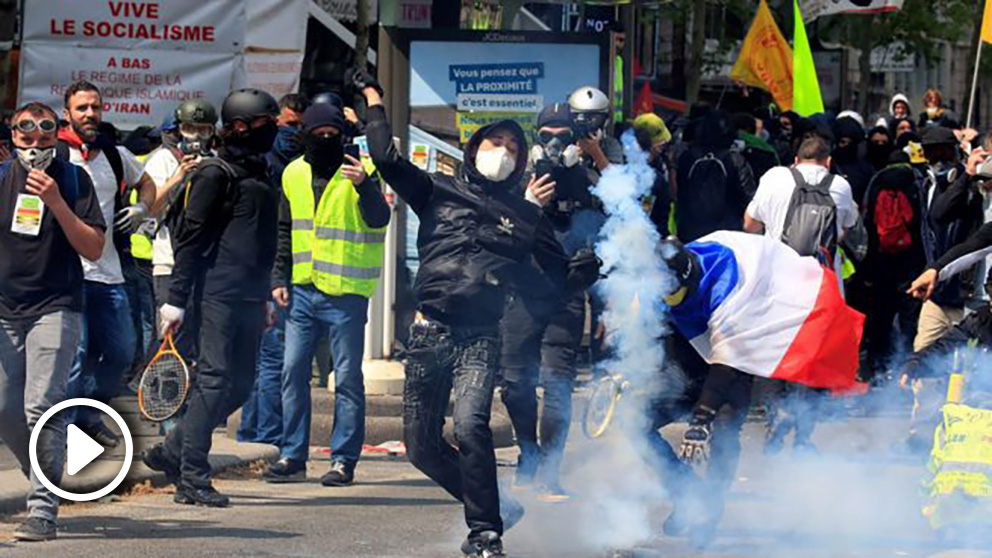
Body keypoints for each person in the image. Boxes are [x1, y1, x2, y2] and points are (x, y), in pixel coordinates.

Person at [359, 74, 601, 558]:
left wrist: (581, 272)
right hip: (428, 332)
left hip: (479, 335)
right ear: (474, 147)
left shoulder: (525, 210)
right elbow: (386, 160)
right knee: (422, 447)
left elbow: (549, 278)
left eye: (514, 145)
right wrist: (374, 103)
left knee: (470, 425)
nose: (505, 151)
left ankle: (485, 532)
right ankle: (498, 508)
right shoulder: (437, 190)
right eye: (496, 140)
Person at [652, 233, 862, 548]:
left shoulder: (729, 296)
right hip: (687, 359)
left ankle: (710, 509)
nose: (669, 301)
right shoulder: (661, 268)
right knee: (634, 423)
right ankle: (684, 493)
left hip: (737, 362)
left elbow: (725, 367)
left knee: (722, 431)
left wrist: (700, 419)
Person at [142, 88, 281, 508]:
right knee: (214, 379)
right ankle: (191, 479)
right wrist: (177, 300)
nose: (273, 130)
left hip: (250, 297)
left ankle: (171, 451)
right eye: (265, 122)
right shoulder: (213, 174)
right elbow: (191, 241)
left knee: (240, 385)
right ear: (239, 126)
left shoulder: (262, 173)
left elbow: (263, 242)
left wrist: (266, 296)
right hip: (215, 294)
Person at [262, 102, 390, 485]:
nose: (324, 140)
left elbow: (379, 219)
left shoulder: (360, 171)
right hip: (302, 288)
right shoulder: (293, 173)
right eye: (317, 135)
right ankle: (292, 455)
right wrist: (278, 278)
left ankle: (343, 460)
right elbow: (285, 229)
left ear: (342, 136)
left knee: (347, 377)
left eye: (332, 135)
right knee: (292, 370)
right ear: (305, 135)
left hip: (347, 293)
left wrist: (364, 186)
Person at [0, 102, 105, 541]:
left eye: (45, 138)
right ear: (13, 137)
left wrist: (56, 202)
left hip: (56, 305)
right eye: (27, 137)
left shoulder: (74, 178)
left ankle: (43, 509)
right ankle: (45, 475)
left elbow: (94, 247)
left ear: (56, 137)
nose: (35, 145)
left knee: (41, 406)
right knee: (6, 410)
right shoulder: (2, 179)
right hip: (6, 308)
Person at [498, 103, 604, 501]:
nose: (555, 143)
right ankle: (529, 452)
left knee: (558, 385)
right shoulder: (519, 179)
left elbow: (624, 216)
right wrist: (528, 204)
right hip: (522, 294)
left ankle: (550, 472)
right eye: (547, 136)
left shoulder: (590, 179)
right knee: (514, 384)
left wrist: (596, 160)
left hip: (567, 295)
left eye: (564, 136)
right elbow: (498, 231)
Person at [743, 135, 858, 450]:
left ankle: (769, 415)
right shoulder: (841, 186)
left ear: (795, 159)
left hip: (778, 282)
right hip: (821, 286)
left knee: (774, 350)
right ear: (828, 161)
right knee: (813, 357)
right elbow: (844, 229)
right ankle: (802, 433)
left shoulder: (774, 178)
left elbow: (750, 225)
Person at [59, 80, 157, 448]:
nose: (90, 114)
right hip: (68, 275)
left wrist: (142, 206)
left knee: (120, 353)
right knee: (77, 354)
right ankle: (63, 432)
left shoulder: (115, 155)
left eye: (95, 107)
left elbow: (146, 182)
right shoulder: (55, 154)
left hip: (110, 273)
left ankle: (87, 416)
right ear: (66, 113)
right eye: (82, 108)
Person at [238, 93, 309, 446]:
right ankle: (267, 433)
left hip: (260, 267)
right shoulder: (288, 165)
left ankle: (251, 430)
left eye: (300, 125)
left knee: (260, 356)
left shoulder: (265, 160)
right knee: (272, 357)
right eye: (289, 124)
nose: (294, 131)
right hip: (274, 269)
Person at [144, 100, 216, 360]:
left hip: (204, 264)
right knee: (169, 333)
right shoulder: (162, 160)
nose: (195, 136)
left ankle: (185, 395)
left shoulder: (215, 163)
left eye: (203, 130)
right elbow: (150, 207)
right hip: (169, 262)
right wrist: (178, 177)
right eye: (189, 128)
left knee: (196, 337)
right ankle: (156, 392)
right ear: (178, 130)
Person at [857, 154, 925, 382]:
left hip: (881, 262)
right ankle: (907, 368)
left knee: (880, 319)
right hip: (912, 263)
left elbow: (867, 223)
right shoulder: (916, 181)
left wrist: (866, 267)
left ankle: (878, 368)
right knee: (910, 320)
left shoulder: (876, 183)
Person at [675, 109, 756, 242]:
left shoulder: (687, 157)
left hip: (691, 231)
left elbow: (679, 190)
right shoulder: (735, 159)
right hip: (727, 234)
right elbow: (749, 196)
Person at [831, 115, 874, 204]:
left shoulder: (866, 169)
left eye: (850, 142)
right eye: (842, 142)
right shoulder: (828, 165)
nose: (845, 146)